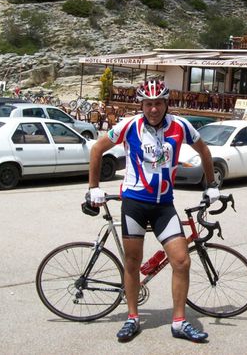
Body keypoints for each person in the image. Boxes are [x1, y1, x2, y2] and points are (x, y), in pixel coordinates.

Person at [86, 80, 219, 343]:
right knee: (133, 263)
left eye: (158, 103)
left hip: (163, 206)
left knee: (181, 260)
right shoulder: (129, 126)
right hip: (134, 203)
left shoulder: (180, 126)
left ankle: (179, 322)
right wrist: (93, 188)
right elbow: (97, 149)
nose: (154, 109)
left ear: (166, 103)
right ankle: (132, 317)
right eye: (148, 103)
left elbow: (204, 150)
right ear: (142, 105)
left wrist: (211, 184)